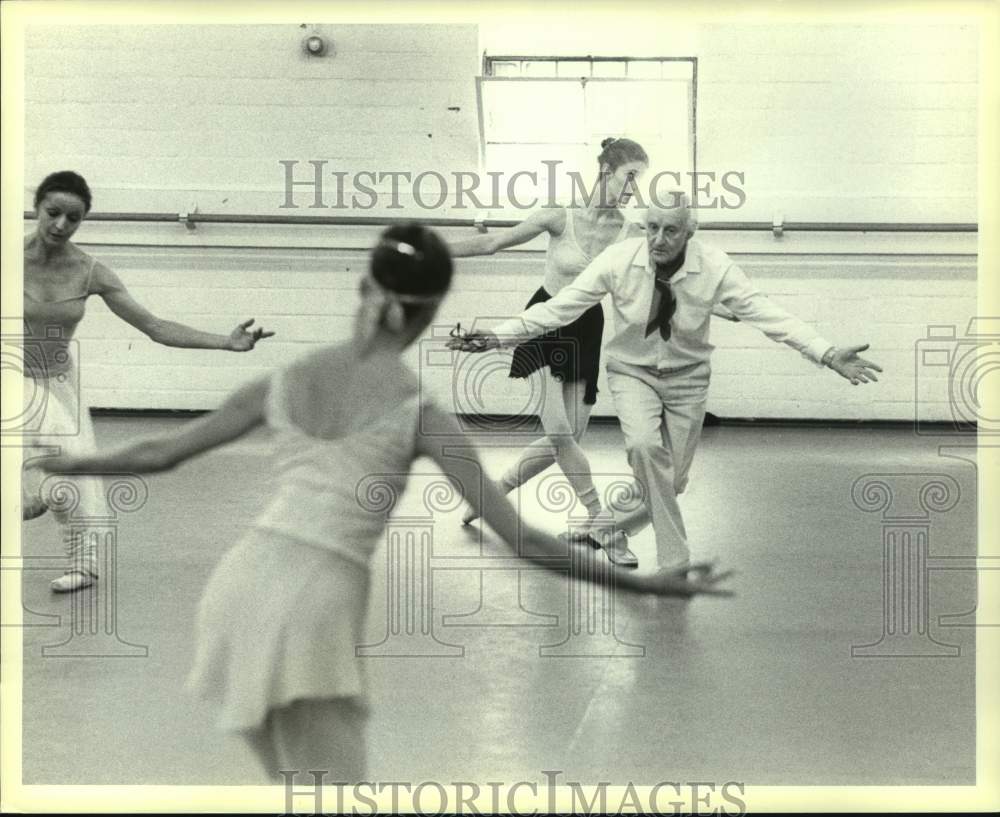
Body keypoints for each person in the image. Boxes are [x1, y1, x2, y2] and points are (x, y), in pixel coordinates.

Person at [43, 224, 733, 781]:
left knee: (300, 782)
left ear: (363, 286)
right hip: (315, 600)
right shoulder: (419, 410)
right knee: (333, 790)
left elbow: (161, 453)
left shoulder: (287, 378)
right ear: (430, 311)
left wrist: (75, 462)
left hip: (234, 589)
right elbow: (523, 539)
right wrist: (643, 584)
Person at [448, 195, 883, 572]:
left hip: (688, 379)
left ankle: (604, 527)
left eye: (671, 230)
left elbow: (768, 315)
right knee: (643, 448)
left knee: (671, 482)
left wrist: (826, 352)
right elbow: (559, 307)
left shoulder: (716, 267)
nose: (659, 239)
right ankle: (675, 563)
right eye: (652, 228)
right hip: (632, 372)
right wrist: (498, 336)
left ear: (689, 232)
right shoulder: (619, 260)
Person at [22, 170, 274, 593]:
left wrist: (225, 343)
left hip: (57, 384)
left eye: (73, 218)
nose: (61, 225)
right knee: (28, 488)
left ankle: (83, 564)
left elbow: (155, 327)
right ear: (37, 208)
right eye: (53, 213)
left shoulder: (90, 272)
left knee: (72, 476)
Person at [448, 138, 647, 557]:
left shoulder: (630, 233)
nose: (635, 187)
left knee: (568, 438)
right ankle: (603, 524)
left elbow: (660, 277)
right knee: (560, 435)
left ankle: (491, 496)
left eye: (640, 179)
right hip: (543, 323)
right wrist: (434, 253)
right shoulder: (560, 215)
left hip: (586, 328)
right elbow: (492, 243)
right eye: (630, 176)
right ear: (605, 172)